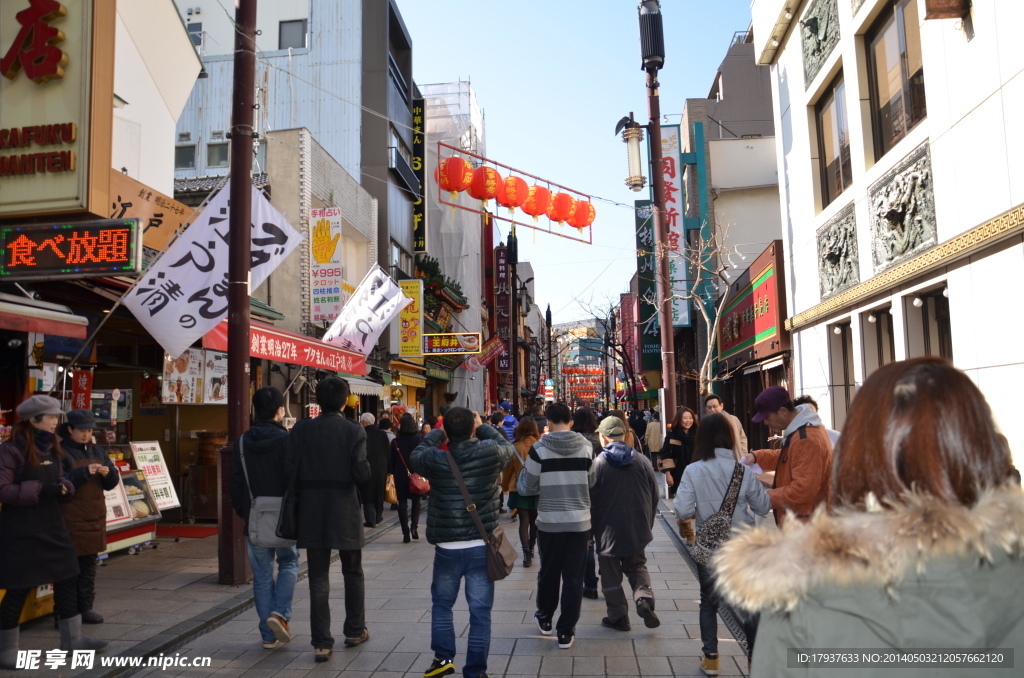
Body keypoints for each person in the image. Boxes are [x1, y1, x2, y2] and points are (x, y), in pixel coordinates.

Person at [716, 358, 1024, 678]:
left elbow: (803, 487)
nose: (767, 426)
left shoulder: (803, 593)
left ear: (861, 452)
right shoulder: (1010, 568)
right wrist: (762, 457)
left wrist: (762, 497)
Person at [0, 396, 106, 669]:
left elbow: (61, 480)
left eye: (57, 417)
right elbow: (3, 490)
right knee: (19, 586)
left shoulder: (53, 447)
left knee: (68, 577)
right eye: (51, 417)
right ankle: (6, 650)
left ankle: (73, 640)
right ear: (33, 420)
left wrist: (65, 488)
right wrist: (40, 490)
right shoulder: (11, 450)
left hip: (53, 524)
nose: (56, 422)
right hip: (22, 529)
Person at [411, 408, 514, 678]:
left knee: (442, 605)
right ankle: (476, 671)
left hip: (447, 547)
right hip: (481, 545)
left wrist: (437, 432)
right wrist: (482, 427)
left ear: (447, 430)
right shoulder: (489, 452)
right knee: (480, 612)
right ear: (472, 429)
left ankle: (443, 658)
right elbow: (507, 447)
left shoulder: (435, 458)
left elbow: (416, 456)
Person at [673, 413, 770, 676]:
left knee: (709, 602)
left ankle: (712, 659)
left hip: (711, 545)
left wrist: (697, 513)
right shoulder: (743, 471)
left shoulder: (693, 470)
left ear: (702, 439)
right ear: (729, 438)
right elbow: (763, 506)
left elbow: (681, 508)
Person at [290, 377, 372, 662]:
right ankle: (354, 629)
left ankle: (321, 643)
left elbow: (291, 468)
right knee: (353, 571)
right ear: (345, 400)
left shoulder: (301, 430)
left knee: (317, 577)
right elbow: (362, 474)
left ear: (318, 400)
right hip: (345, 508)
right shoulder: (354, 430)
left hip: (311, 508)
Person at [521, 403, 596, 650]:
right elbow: (592, 481)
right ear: (571, 422)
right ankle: (566, 632)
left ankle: (544, 618)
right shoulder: (587, 447)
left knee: (549, 572)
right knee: (574, 577)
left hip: (550, 522)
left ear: (548, 424)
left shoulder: (538, 449)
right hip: (579, 522)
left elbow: (528, 487)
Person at [229, 387, 299, 650]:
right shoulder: (287, 441)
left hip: (254, 518)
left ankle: (268, 635)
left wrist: (244, 512)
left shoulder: (242, 443)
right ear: (280, 411)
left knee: (261, 576)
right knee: (289, 563)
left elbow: (235, 484)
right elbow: (295, 480)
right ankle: (279, 614)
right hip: (284, 519)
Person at [590, 416, 660, 632]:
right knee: (637, 566)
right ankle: (643, 598)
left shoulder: (598, 464)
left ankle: (618, 617)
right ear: (625, 434)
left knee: (610, 573)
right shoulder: (642, 461)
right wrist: (647, 522)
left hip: (607, 531)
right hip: (637, 527)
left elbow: (590, 499)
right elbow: (655, 495)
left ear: (603, 437)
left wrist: (590, 532)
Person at [57, 409, 120, 626]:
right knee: (68, 568)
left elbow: (112, 483)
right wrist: (85, 472)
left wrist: (108, 473)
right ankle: (65, 613)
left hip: (94, 515)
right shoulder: (60, 452)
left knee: (88, 566)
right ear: (70, 429)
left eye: (90, 430)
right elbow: (60, 482)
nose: (86, 435)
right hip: (70, 517)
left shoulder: (98, 452)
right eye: (82, 430)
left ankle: (86, 608)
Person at [740, 386, 833, 527]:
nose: (765, 422)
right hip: (806, 519)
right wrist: (757, 456)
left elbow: (803, 489)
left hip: (806, 524)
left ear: (782, 411)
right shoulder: (804, 429)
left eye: (767, 417)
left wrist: (766, 498)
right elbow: (789, 457)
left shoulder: (806, 437)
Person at [570, 407, 601, 599]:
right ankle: (608, 581)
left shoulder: (573, 442)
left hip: (580, 495)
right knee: (604, 542)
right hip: (601, 495)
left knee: (587, 543)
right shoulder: (600, 441)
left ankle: (589, 584)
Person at [502, 417, 540, 567]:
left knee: (523, 521)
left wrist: (505, 487)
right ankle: (531, 547)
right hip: (537, 488)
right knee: (534, 520)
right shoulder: (540, 445)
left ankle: (526, 555)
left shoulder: (514, 446)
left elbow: (507, 471)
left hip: (519, 488)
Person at [390, 413, 424, 544]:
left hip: (400, 475)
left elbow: (391, 461)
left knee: (402, 503)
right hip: (416, 475)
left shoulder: (395, 441)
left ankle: (405, 533)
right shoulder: (419, 440)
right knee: (417, 501)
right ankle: (414, 527)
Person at [359, 413, 390, 528]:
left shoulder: (362, 433)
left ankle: (370, 519)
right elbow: (388, 451)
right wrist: (389, 468)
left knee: (367, 494)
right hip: (381, 467)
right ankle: (378, 517)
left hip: (366, 467)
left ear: (364, 422)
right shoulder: (382, 433)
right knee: (379, 492)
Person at [663, 407, 698, 509]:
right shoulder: (672, 435)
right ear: (679, 419)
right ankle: (684, 521)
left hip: (697, 472)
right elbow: (665, 454)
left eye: (690, 418)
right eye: (685, 418)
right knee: (682, 503)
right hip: (678, 473)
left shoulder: (699, 434)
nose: (688, 421)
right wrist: (668, 473)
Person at [703, 395, 747, 459]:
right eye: (709, 407)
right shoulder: (705, 424)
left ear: (721, 406)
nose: (712, 410)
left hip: (734, 458)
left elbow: (742, 438)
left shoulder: (733, 420)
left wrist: (743, 453)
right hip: (714, 460)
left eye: (715, 406)